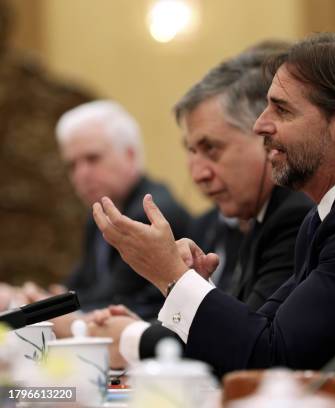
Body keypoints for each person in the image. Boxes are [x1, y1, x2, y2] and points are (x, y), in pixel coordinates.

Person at [91, 33, 335, 375]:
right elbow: (263, 328)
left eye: (281, 109)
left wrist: (172, 277)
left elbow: (275, 358)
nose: (260, 124)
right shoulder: (330, 212)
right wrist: (189, 284)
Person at [89, 43, 314, 366]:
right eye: (192, 151)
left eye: (212, 149)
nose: (198, 174)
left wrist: (170, 276)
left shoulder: (295, 215)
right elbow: (241, 324)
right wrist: (166, 311)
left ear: (266, 138)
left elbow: (258, 349)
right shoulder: (250, 214)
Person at [55, 101, 191, 322]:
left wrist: (52, 307)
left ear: (129, 155)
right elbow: (81, 285)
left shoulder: (151, 213)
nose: (81, 174)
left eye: (92, 159)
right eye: (72, 165)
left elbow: (115, 297)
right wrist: (47, 299)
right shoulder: (99, 215)